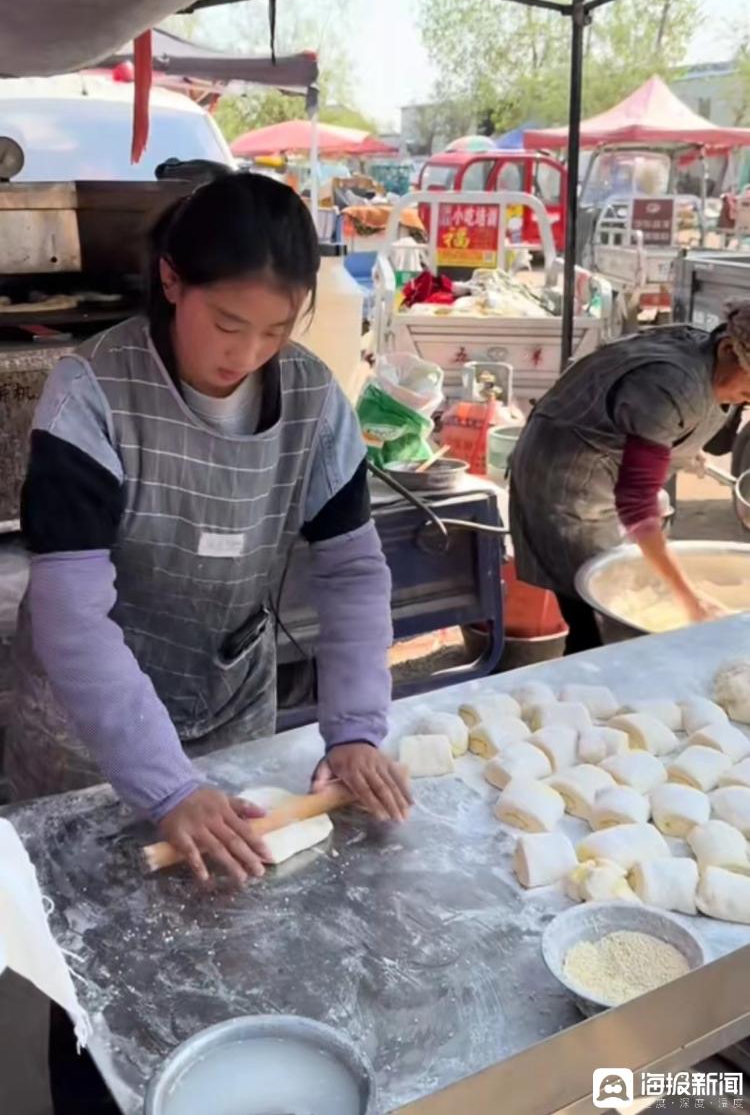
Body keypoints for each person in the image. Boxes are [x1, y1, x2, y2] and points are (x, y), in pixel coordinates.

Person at [5, 171, 411, 884]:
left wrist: (355, 728)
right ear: (171, 280)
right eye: (227, 323)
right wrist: (169, 786)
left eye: (276, 330)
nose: (248, 353)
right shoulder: (92, 391)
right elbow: (72, 616)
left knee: (227, 916)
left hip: (227, 703)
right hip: (85, 734)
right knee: (90, 934)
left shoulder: (314, 400)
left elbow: (350, 571)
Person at [509, 307, 750, 654]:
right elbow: (636, 504)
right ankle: (585, 670)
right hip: (568, 471)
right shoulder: (671, 382)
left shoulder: (709, 352)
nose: (745, 401)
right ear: (728, 349)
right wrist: (692, 600)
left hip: (605, 457)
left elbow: (653, 424)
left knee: (624, 570)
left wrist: (684, 447)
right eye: (747, 391)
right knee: (590, 603)